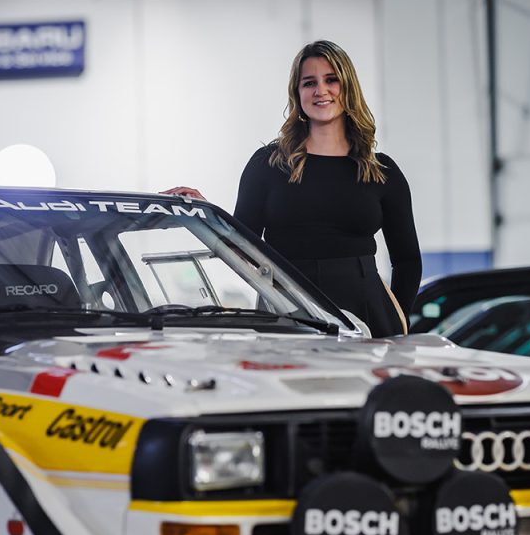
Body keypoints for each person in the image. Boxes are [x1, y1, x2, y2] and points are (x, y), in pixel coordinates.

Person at [165, 40, 420, 337]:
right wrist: (207, 213)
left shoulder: (381, 170)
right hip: (286, 305)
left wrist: (398, 319)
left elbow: (408, 260)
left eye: (331, 80)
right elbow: (241, 248)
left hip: (367, 309)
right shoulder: (268, 164)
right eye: (309, 83)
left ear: (348, 87)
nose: (320, 90)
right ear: (297, 94)